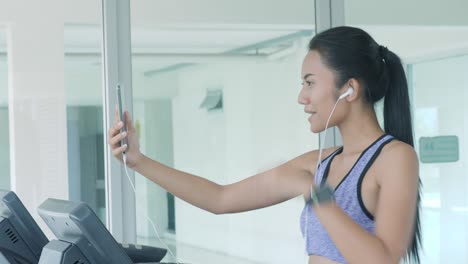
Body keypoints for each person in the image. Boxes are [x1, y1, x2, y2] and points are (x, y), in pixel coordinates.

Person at [108, 26, 421, 264]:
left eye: (310, 82)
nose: (302, 97)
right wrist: (139, 162)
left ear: (349, 89)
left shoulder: (395, 158)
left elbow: (382, 259)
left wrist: (316, 195)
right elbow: (221, 198)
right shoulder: (317, 163)